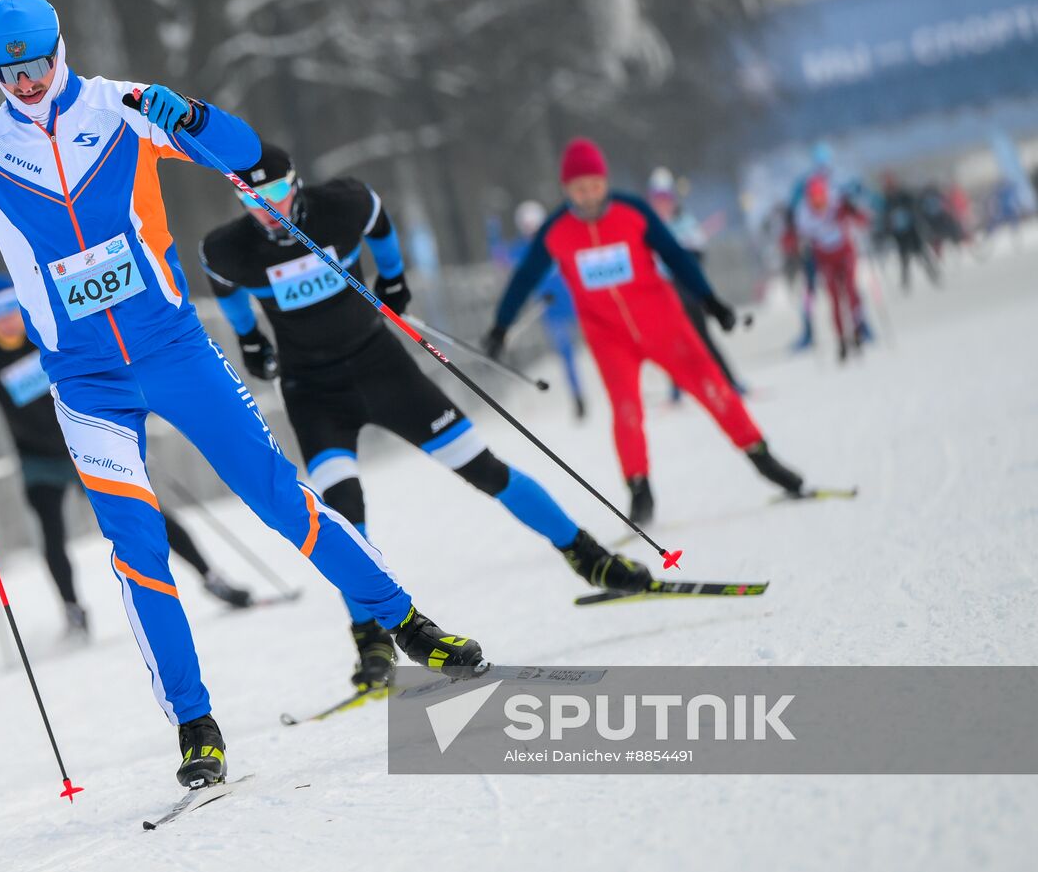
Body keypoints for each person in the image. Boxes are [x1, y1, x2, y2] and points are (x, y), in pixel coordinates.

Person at [0, 0, 483, 789]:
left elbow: (245, 155)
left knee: (275, 494)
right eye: (9, 71)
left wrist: (191, 116)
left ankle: (405, 620)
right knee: (137, 548)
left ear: (60, 49)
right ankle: (196, 725)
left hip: (173, 349)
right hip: (85, 378)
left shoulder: (124, 108)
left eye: (36, 64)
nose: (26, 82)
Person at [200, 144, 650, 692]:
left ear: (294, 185)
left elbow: (379, 220)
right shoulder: (229, 248)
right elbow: (225, 290)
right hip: (313, 392)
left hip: (382, 368)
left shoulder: (342, 204)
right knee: (343, 514)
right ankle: (370, 639)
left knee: (484, 469)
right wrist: (249, 340)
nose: (263, 207)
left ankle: (589, 557)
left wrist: (392, 278)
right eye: (248, 197)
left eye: (272, 193)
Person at [485, 137, 808, 525]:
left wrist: (711, 302)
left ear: (605, 182)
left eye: (594, 186)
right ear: (566, 189)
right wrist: (501, 327)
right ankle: (640, 492)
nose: (588, 196)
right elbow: (524, 279)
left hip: (663, 323)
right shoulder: (557, 230)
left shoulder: (632, 211)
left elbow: (674, 255)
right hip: (608, 335)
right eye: (578, 189)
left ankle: (763, 458)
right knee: (625, 410)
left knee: (712, 386)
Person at [0, 273, 256, 640]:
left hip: (87, 442)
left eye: (8, 309)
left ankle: (210, 576)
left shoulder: (42, 331)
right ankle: (73, 610)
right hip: (38, 458)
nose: (4, 320)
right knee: (52, 535)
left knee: (145, 512)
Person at [646, 168, 745, 398]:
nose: (662, 205)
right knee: (670, 342)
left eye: (665, 199)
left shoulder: (685, 221)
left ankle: (729, 382)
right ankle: (676, 390)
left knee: (702, 338)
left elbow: (699, 254)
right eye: (657, 200)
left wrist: (685, 258)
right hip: (664, 292)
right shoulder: (649, 226)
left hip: (688, 291)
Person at [513, 200, 588, 420]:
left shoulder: (556, 239)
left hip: (574, 302)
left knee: (599, 344)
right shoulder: (524, 250)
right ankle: (578, 397)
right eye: (527, 227)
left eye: (534, 226)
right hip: (551, 310)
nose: (531, 231)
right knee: (566, 354)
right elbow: (503, 258)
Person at [794, 176, 869, 362]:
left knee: (851, 292)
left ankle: (858, 330)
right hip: (825, 258)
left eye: (821, 196)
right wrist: (801, 247)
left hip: (845, 253)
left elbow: (861, 219)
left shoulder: (837, 203)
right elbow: (799, 238)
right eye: (814, 198)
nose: (818, 201)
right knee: (834, 298)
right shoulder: (804, 213)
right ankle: (842, 338)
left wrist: (853, 210)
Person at [878, 173, 939, 293]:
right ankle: (905, 283)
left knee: (922, 253)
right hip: (901, 234)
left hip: (912, 230)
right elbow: (886, 218)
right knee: (904, 259)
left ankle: (933, 274)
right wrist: (886, 231)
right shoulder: (887, 200)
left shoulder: (904, 194)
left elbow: (915, 206)